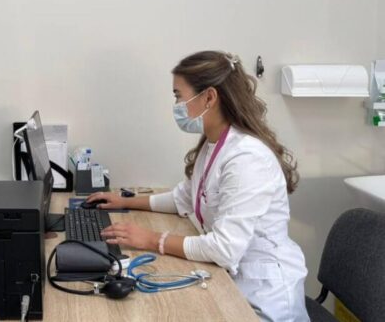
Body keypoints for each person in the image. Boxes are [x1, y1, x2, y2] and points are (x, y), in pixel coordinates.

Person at [88, 51, 309, 321]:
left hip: (264, 297)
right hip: (232, 281)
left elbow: (224, 249)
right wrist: (124, 201)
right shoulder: (214, 143)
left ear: (209, 98)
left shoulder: (247, 158)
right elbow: (183, 197)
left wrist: (151, 240)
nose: (177, 105)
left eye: (179, 96)